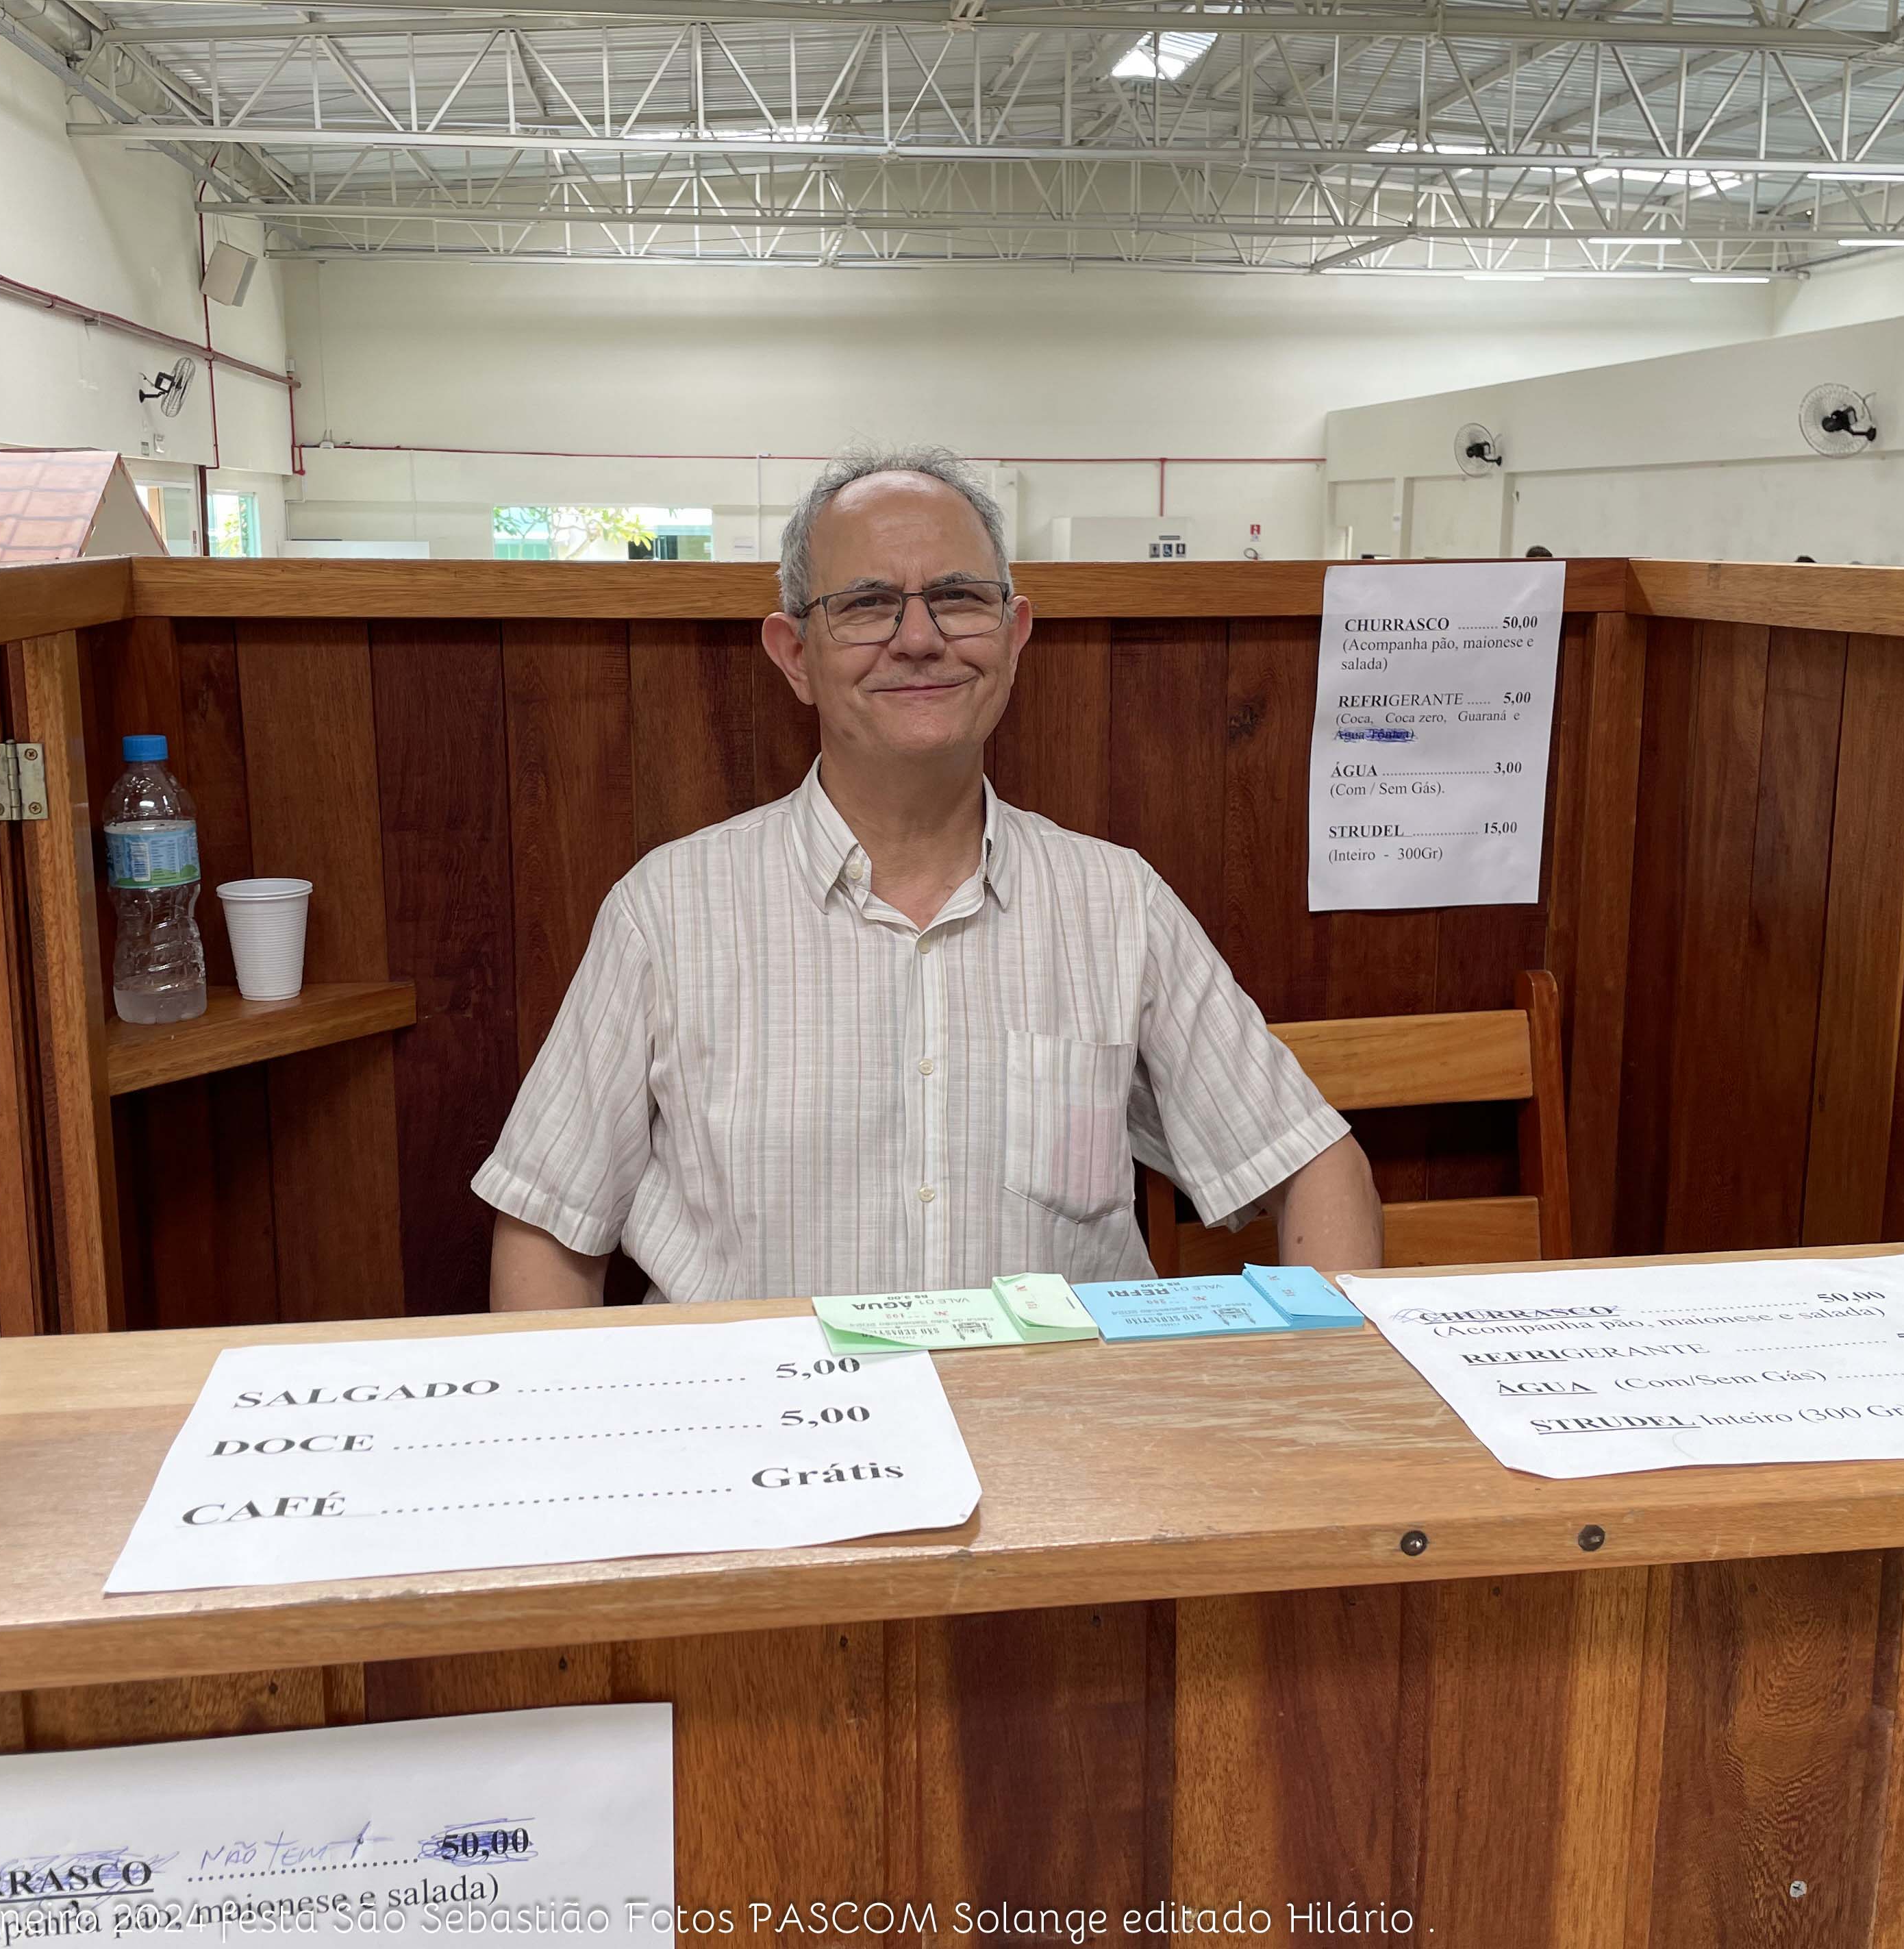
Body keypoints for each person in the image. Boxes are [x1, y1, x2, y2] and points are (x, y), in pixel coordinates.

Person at [475, 446, 1381, 1311]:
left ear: (1014, 636)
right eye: (867, 604)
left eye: (958, 598)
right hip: (773, 1409)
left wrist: (1335, 1385)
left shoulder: (1116, 904)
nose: (919, 638)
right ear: (795, 654)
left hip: (1054, 1409)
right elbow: (548, 1229)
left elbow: (1312, 1163)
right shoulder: (668, 913)